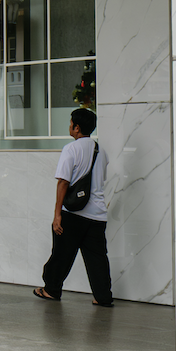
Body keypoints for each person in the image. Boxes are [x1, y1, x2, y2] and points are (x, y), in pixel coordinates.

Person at [32, 107, 111, 308]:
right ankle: (103, 297)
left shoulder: (71, 149)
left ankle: (51, 290)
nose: (70, 127)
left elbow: (63, 182)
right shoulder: (101, 151)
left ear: (77, 127)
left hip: (73, 214)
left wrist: (57, 214)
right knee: (98, 258)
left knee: (61, 254)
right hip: (98, 215)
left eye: (70, 124)